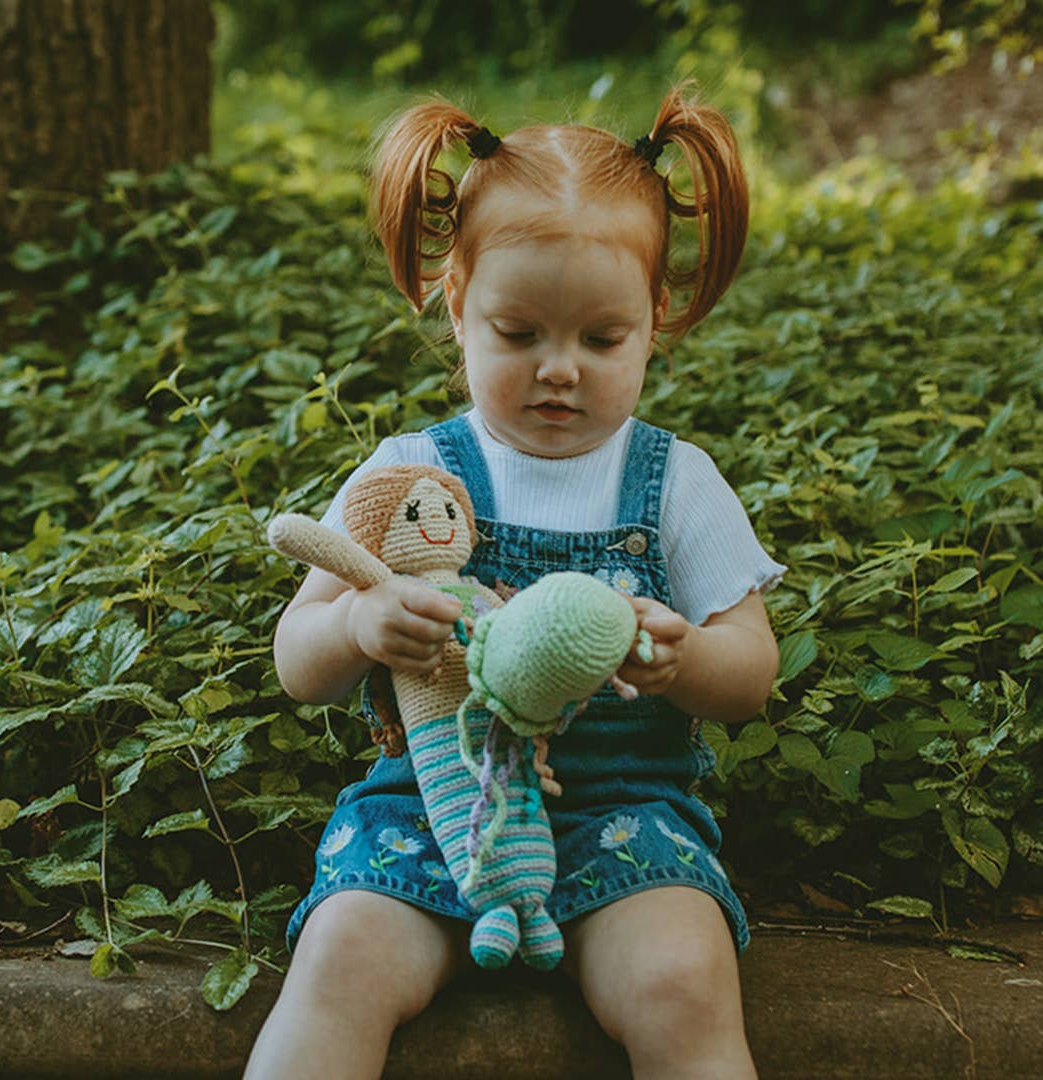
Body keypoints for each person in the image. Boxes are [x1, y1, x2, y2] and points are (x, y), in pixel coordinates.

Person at [245, 85, 786, 1080]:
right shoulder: (406, 470)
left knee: (682, 977)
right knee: (342, 959)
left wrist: (684, 655)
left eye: (601, 339)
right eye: (520, 332)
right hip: (432, 810)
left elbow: (752, 674)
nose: (559, 371)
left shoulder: (676, 482)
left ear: (655, 319)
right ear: (459, 309)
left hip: (621, 820)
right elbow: (296, 660)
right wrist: (363, 621)